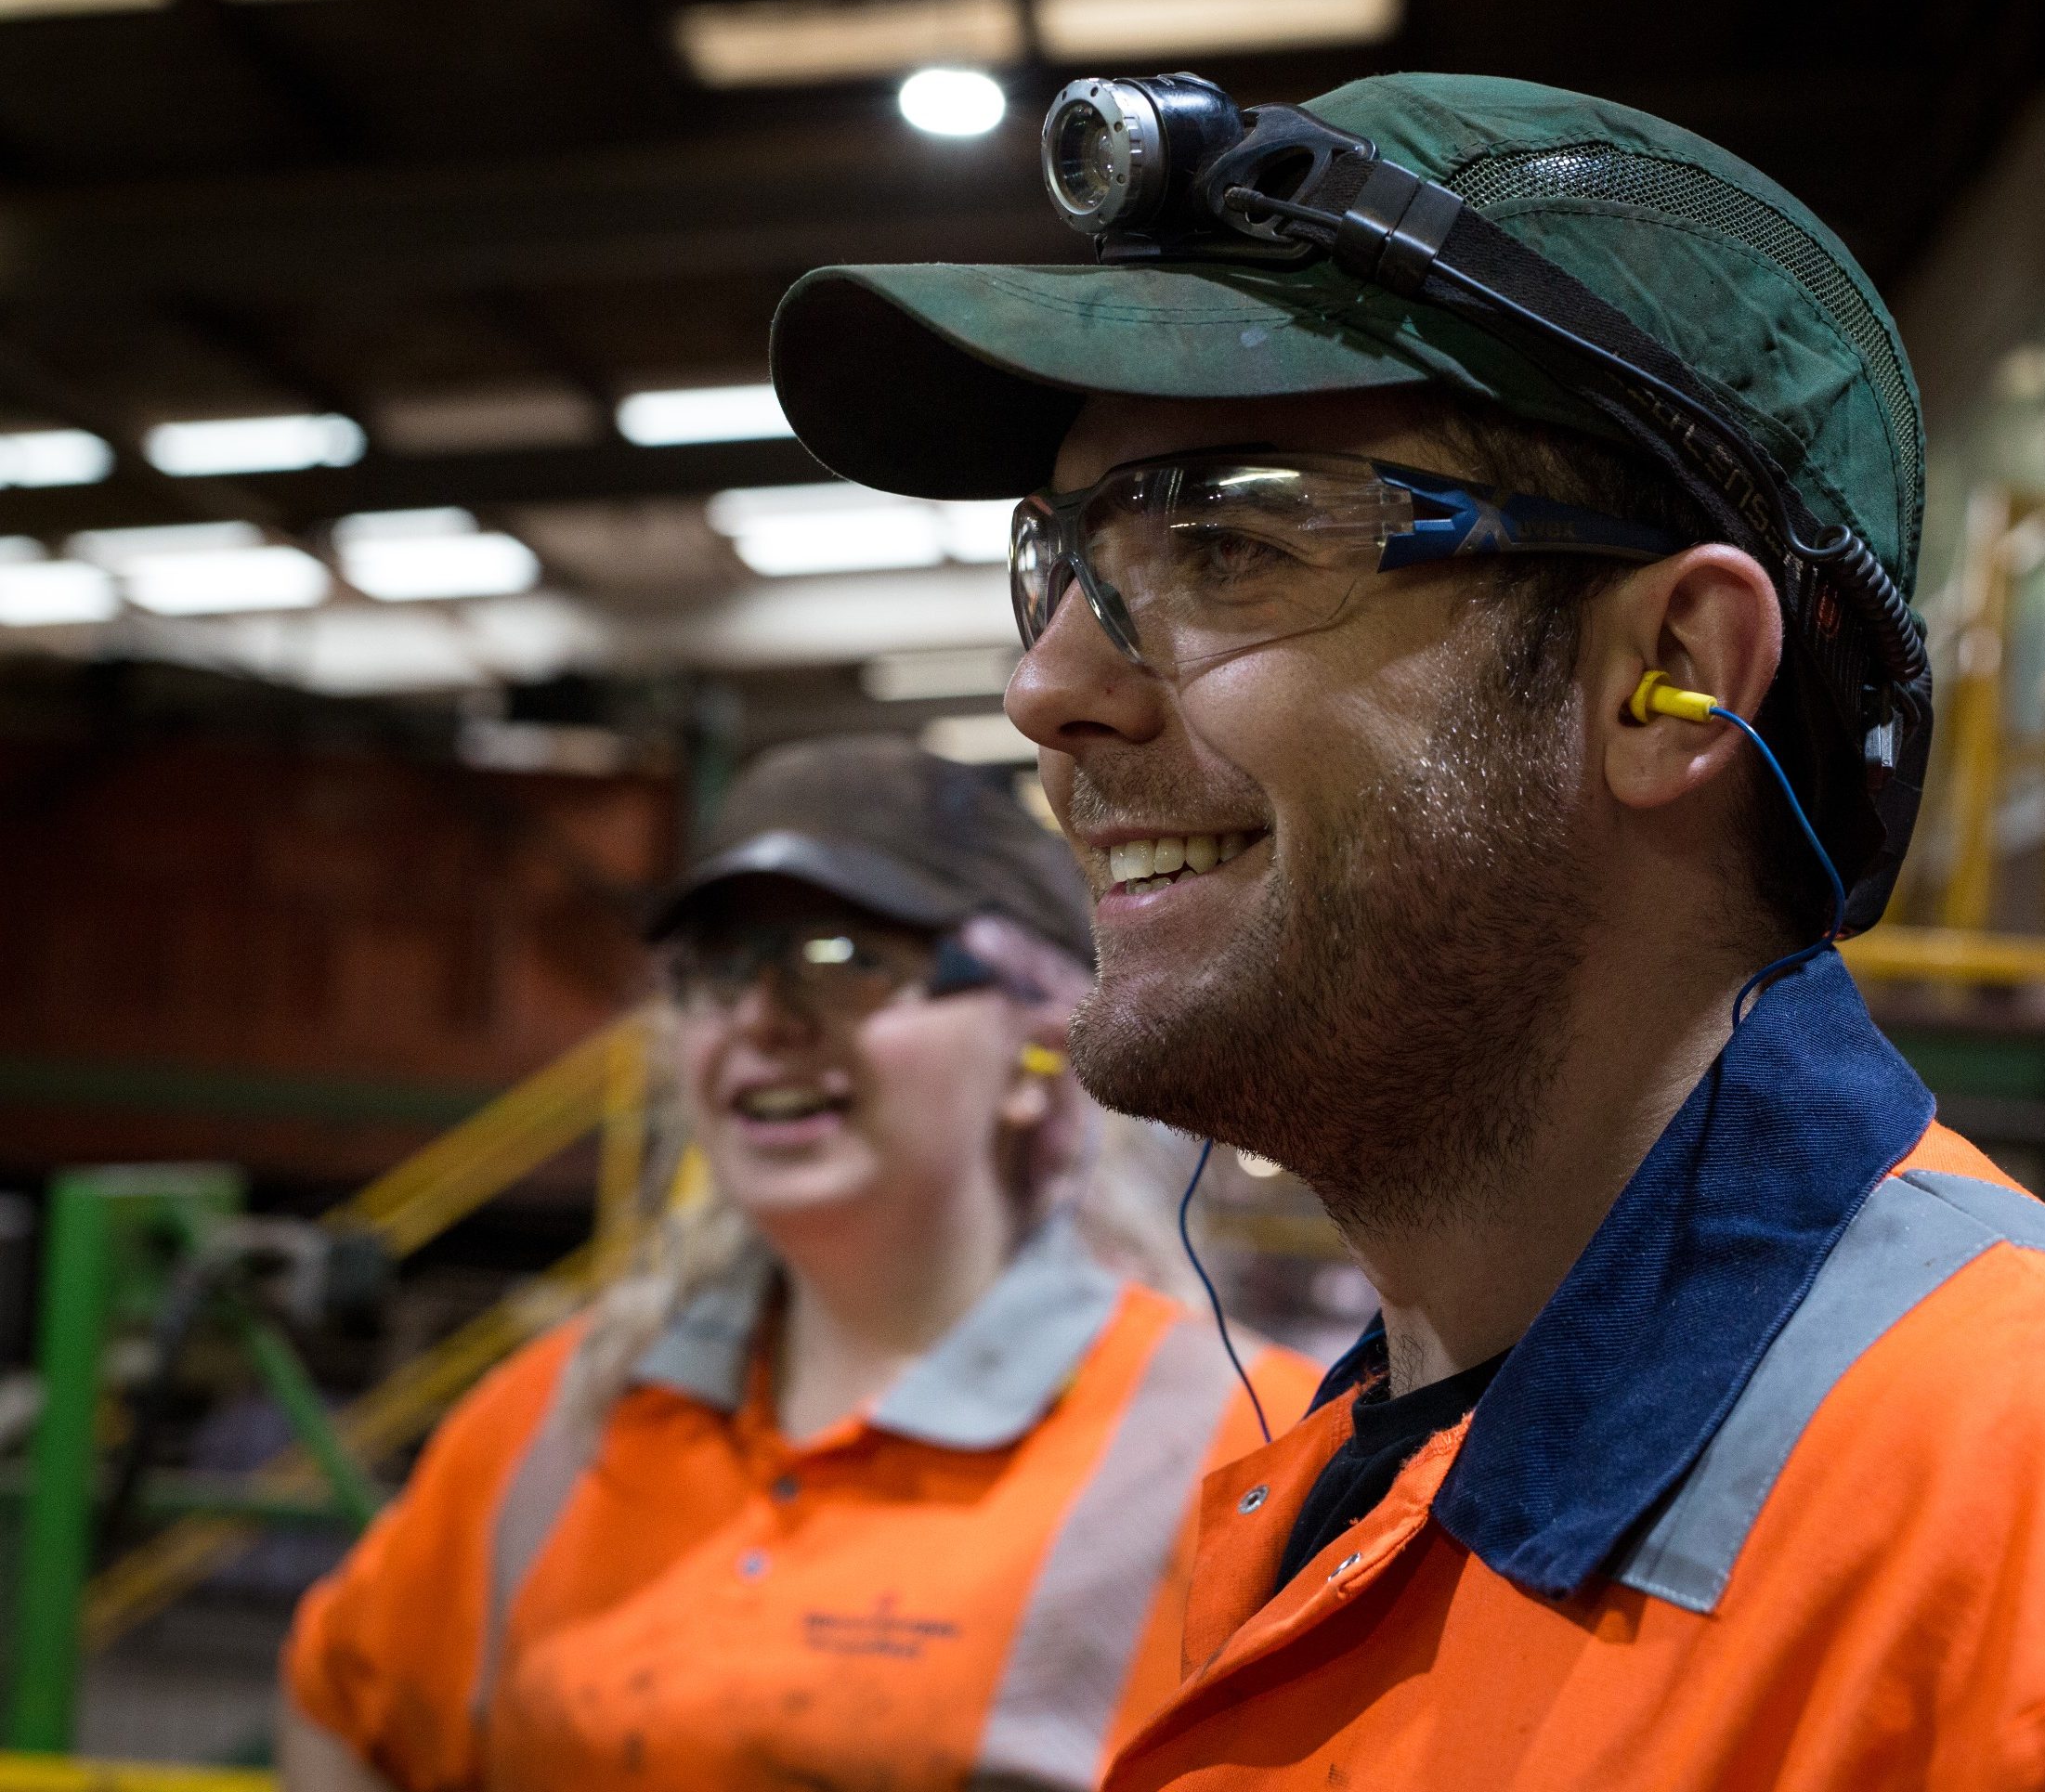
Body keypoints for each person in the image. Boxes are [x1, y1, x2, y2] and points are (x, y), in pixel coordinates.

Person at [765, 74, 2045, 1786]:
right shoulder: (1356, 1484)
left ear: (1673, 689)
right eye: (1052, 559)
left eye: (1225, 540)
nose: (1043, 686)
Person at [279, 734, 1318, 1792]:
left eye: (842, 959)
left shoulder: (1242, 1451)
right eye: (715, 972)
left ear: (1031, 1049)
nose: (762, 1018)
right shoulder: (557, 1420)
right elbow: (342, 1699)